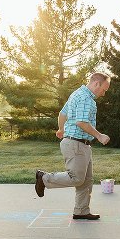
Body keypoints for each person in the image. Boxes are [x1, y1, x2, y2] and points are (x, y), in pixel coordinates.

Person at [34, 72, 111, 220]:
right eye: (104, 89)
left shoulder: (77, 93)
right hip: (77, 143)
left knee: (87, 180)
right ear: (96, 84)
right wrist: (99, 135)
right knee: (76, 178)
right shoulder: (86, 98)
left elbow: (63, 113)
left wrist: (61, 129)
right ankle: (44, 178)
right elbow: (81, 122)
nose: (104, 93)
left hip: (80, 143)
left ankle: (81, 211)